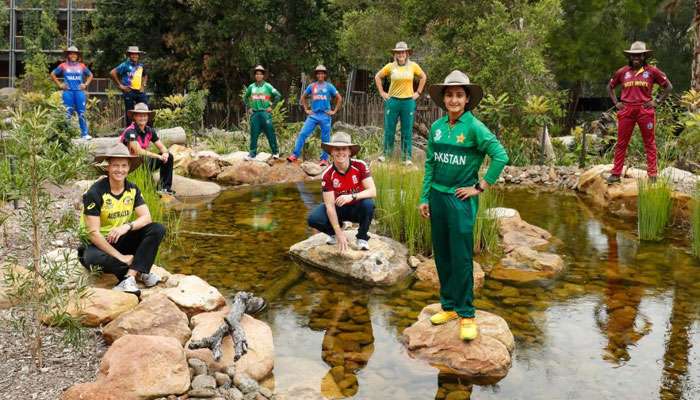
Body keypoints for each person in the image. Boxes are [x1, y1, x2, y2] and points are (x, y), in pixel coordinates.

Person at [419, 70, 509, 341]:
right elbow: (430, 164)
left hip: (460, 200)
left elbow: (500, 156)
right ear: (443, 99)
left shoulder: (474, 127)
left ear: (467, 99)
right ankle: (448, 307)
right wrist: (424, 197)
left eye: (459, 95)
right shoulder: (436, 128)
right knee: (443, 254)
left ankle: (467, 313)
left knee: (461, 257)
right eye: (449, 95)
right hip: (437, 196)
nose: (454, 100)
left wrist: (480, 186)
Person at [78, 142, 165, 294]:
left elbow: (146, 217)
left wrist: (127, 226)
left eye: (124, 165)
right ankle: (140, 268)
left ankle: (130, 278)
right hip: (96, 244)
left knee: (157, 229)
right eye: (115, 165)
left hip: (119, 237)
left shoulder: (132, 189)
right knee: (92, 259)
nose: (120, 170)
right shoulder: (95, 192)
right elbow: (93, 233)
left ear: (129, 167)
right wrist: (121, 257)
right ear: (108, 167)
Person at [607, 41, 673, 184]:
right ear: (630, 57)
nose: (636, 57)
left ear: (644, 56)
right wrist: (616, 103)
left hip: (645, 110)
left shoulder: (652, 71)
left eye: (639, 55)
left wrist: (656, 101)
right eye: (633, 55)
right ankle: (616, 173)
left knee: (649, 143)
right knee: (621, 143)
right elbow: (610, 87)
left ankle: (653, 175)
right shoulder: (622, 72)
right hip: (626, 110)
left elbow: (668, 87)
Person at [307, 132, 376, 251]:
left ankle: (362, 237)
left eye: (344, 149)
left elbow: (372, 191)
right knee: (313, 218)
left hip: (356, 207)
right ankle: (334, 233)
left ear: (349, 151)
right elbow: (329, 206)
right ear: (331, 152)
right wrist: (338, 231)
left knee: (368, 204)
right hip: (337, 209)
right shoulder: (327, 174)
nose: (340, 152)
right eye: (336, 149)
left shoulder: (360, 166)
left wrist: (352, 196)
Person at [374, 41, 427, 165]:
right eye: (398, 52)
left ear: (407, 53)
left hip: (408, 101)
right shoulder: (390, 66)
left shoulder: (413, 66)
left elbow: (423, 77)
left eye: (403, 52)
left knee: (407, 130)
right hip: (393, 101)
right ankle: (386, 155)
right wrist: (382, 92)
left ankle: (406, 158)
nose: (401, 54)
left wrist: (418, 92)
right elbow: (377, 77)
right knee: (389, 128)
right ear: (396, 54)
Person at [287, 65, 343, 166]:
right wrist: (306, 109)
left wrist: (334, 111)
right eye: (318, 73)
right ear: (316, 75)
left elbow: (339, 98)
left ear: (325, 75)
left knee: (325, 138)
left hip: (325, 115)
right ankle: (295, 155)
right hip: (313, 115)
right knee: (303, 134)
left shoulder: (329, 86)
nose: (320, 75)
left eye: (322, 73)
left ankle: (324, 159)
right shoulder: (312, 86)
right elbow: (303, 97)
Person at [119, 103, 174, 195]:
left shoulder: (149, 130)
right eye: (140, 115)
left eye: (144, 115)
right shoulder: (130, 131)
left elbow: (162, 147)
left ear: (148, 117)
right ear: (134, 117)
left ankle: (164, 188)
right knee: (144, 160)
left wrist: (165, 154)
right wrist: (158, 156)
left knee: (169, 157)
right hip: (131, 163)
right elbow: (139, 151)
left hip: (143, 161)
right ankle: (150, 189)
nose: (142, 118)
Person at [50, 46, 94, 140]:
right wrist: (60, 84)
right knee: (67, 113)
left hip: (79, 92)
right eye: (71, 53)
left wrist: (85, 84)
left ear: (77, 55)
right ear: (68, 55)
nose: (73, 55)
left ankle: (84, 134)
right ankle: (66, 134)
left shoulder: (81, 66)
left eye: (75, 53)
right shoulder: (63, 65)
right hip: (68, 92)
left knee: (81, 113)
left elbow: (90, 75)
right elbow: (52, 74)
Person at [243, 65, 282, 160]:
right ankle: (252, 154)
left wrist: (271, 107)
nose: (258, 76)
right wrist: (249, 107)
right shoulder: (251, 87)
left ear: (263, 75)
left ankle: (275, 152)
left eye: (260, 74)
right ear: (255, 75)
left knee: (270, 132)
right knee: (254, 134)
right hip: (255, 114)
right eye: (257, 74)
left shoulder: (267, 86)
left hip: (265, 113)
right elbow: (245, 97)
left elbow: (277, 95)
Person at [110, 46, 149, 126]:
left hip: (139, 91)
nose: (134, 56)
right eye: (132, 54)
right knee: (130, 112)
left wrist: (143, 85)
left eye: (136, 54)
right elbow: (112, 73)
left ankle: (144, 129)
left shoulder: (141, 65)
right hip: (129, 91)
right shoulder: (125, 65)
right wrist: (120, 86)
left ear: (138, 55)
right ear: (129, 55)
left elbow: (145, 75)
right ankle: (130, 131)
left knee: (144, 109)